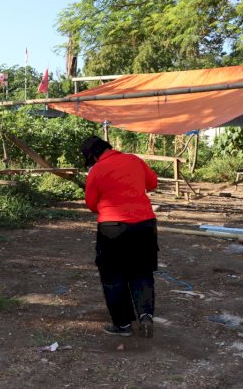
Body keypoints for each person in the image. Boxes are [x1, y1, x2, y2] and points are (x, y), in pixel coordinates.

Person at [81, 135, 159, 338]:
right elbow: (152, 183)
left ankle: (123, 325)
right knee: (142, 273)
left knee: (113, 276)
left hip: (112, 228)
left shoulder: (96, 170)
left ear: (92, 155)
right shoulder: (134, 160)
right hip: (144, 225)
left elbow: (91, 205)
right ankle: (145, 315)